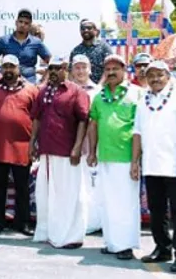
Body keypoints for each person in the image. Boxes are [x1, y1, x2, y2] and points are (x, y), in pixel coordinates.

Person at [133, 61, 176, 273]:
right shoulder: (144, 102)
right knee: (156, 211)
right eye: (151, 75)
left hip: (175, 167)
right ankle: (162, 247)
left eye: (159, 75)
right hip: (151, 166)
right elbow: (137, 134)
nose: (155, 79)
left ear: (168, 76)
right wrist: (135, 162)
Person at [31, 57, 90, 249]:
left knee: (70, 195)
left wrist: (77, 147)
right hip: (47, 151)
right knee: (47, 195)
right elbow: (37, 119)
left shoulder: (76, 91)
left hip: (67, 152)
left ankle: (71, 236)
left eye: (58, 68)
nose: (54, 72)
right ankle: (49, 232)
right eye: (51, 69)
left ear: (66, 69)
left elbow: (83, 120)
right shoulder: (44, 91)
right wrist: (32, 143)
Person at [87, 54, 142, 260]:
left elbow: (139, 129)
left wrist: (136, 160)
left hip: (127, 157)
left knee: (126, 203)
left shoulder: (136, 93)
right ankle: (112, 243)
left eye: (115, 69)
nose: (111, 72)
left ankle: (126, 245)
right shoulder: (99, 97)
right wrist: (92, 151)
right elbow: (93, 125)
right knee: (108, 201)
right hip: (105, 156)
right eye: (107, 69)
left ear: (124, 70)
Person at [0, 55, 37, 236]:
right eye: (5, 67)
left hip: (23, 146)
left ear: (18, 69)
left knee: (22, 188)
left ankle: (23, 223)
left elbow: (37, 119)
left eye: (11, 67)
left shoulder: (31, 90)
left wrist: (35, 143)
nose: (8, 70)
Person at [69, 53, 102, 236]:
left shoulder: (97, 91)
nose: (81, 71)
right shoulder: (67, 90)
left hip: (92, 146)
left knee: (93, 185)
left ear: (89, 69)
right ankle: (78, 221)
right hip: (72, 145)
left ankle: (93, 222)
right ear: (72, 70)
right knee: (75, 185)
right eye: (77, 67)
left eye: (84, 67)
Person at [0, 9, 51, 84]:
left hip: (30, 85)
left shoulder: (36, 42)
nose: (22, 25)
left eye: (26, 23)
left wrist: (43, 82)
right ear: (16, 23)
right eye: (20, 22)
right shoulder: (4, 41)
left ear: (30, 26)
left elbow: (51, 62)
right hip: (8, 85)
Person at [69, 19, 113, 84]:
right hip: (80, 90)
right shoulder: (75, 51)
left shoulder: (104, 48)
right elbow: (70, 73)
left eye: (89, 28)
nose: (86, 30)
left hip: (101, 89)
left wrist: (98, 88)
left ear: (95, 31)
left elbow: (110, 69)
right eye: (83, 28)